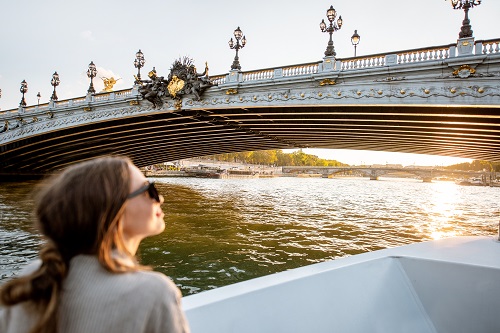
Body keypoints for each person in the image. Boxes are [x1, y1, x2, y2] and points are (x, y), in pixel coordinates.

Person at [0, 156, 190, 333]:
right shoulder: (154, 292)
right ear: (115, 211)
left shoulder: (32, 278)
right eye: (149, 190)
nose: (160, 199)